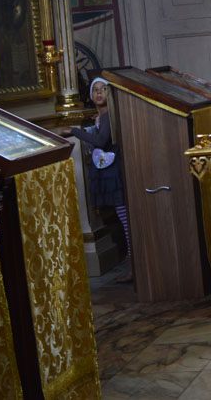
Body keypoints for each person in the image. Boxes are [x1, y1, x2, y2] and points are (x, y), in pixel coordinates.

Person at [66, 77, 131, 282]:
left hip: (114, 172)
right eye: (95, 90)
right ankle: (132, 261)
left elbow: (101, 140)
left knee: (124, 217)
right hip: (109, 170)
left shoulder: (108, 116)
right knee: (122, 217)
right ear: (91, 96)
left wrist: (74, 131)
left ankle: (133, 262)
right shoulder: (102, 117)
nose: (99, 92)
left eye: (103, 89)